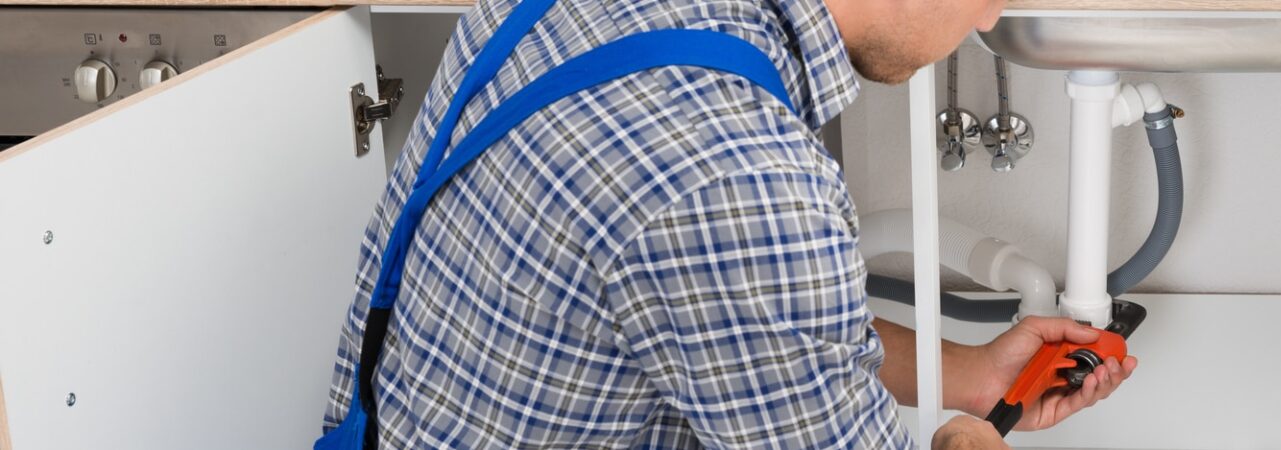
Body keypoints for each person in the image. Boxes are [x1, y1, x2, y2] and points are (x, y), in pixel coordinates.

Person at [318, 0, 1137, 447]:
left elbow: (737, 329)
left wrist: (969, 376)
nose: (990, 19)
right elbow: (734, 243)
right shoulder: (738, 176)